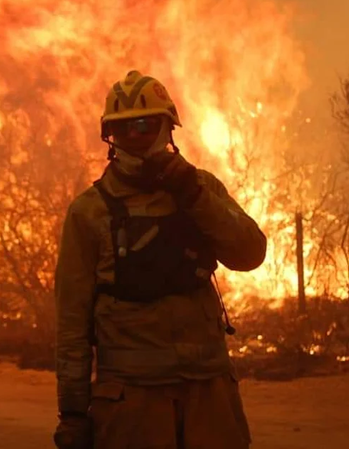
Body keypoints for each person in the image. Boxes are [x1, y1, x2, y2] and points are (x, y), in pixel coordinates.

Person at [53, 70, 267, 449]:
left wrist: (193, 195)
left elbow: (250, 254)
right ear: (110, 136)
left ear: (167, 127)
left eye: (145, 125)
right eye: (124, 128)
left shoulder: (202, 190)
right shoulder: (89, 213)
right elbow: (72, 326)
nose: (135, 137)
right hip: (133, 406)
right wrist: (72, 413)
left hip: (209, 395)